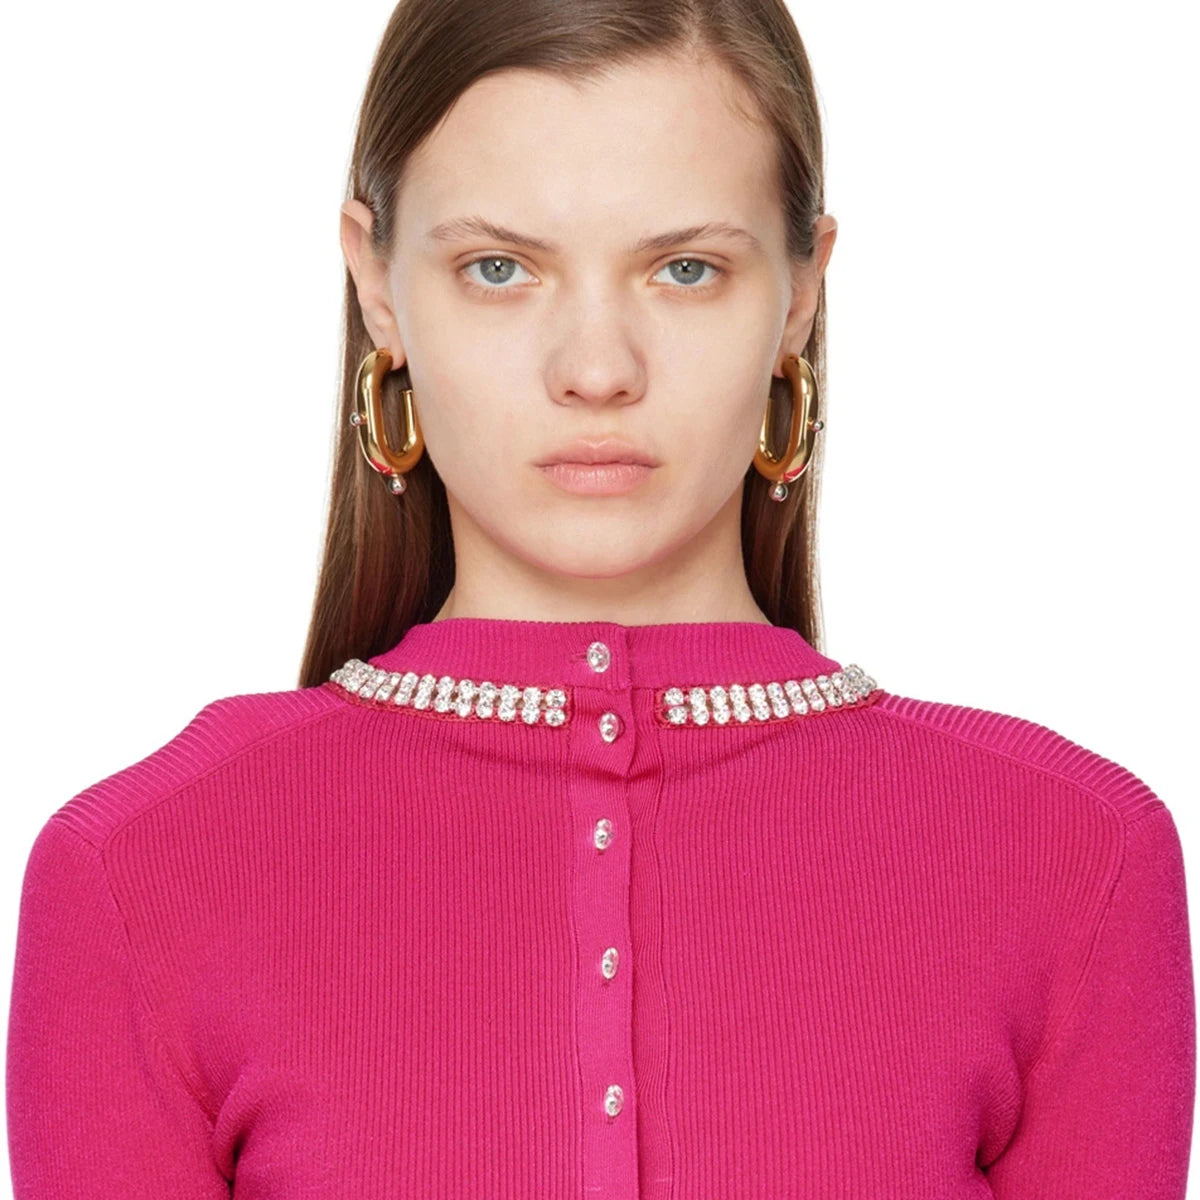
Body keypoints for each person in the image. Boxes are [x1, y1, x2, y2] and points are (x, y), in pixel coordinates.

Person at [6, 0, 1194, 1196]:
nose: (596, 370)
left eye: (685, 270)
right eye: (499, 269)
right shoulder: (140, 874)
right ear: (377, 283)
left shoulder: (1072, 859)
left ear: (798, 294)